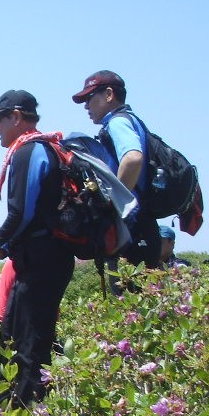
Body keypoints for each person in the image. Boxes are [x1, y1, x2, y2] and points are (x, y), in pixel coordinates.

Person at [0, 90, 74, 407]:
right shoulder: (41, 149)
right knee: (14, 342)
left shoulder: (30, 151)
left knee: (28, 350)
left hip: (43, 262)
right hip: (41, 258)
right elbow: (33, 218)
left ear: (16, 116)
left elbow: (21, 214)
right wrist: (1, 248)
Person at [72, 70, 161, 274]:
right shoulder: (132, 119)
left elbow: (133, 158)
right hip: (144, 226)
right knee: (145, 300)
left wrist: (113, 207)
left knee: (128, 301)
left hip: (133, 229)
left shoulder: (117, 122)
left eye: (89, 97)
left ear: (109, 94)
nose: (86, 105)